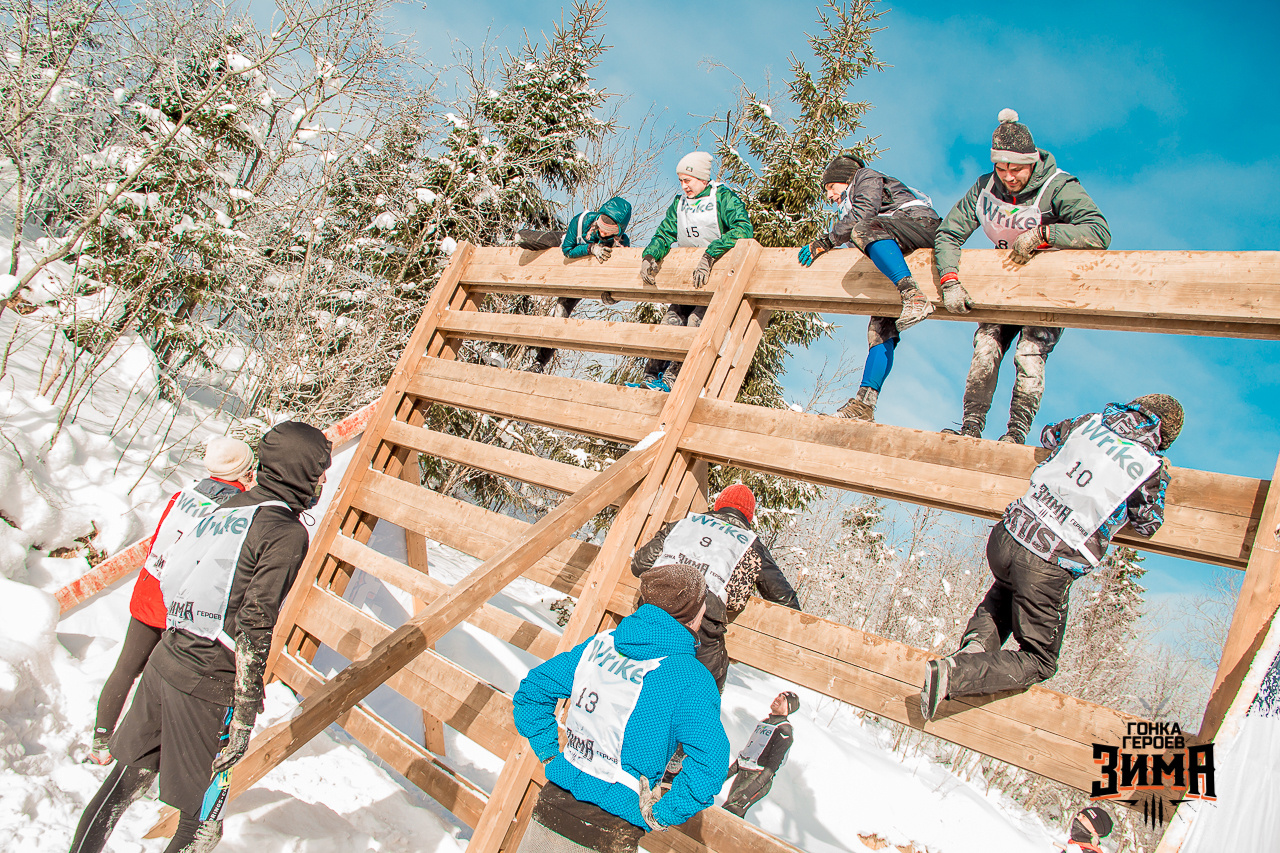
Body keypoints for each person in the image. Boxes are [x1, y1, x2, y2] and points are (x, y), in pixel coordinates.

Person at [69, 422, 332, 853]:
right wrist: (245, 710)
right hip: (209, 683)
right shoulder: (285, 532)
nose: (323, 479)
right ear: (300, 469)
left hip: (166, 659)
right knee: (201, 827)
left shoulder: (225, 508)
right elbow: (255, 622)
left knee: (124, 783)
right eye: (321, 468)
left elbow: (174, 573)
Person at [920, 396, 1182, 721]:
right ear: (1164, 437)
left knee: (1006, 590)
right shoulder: (1147, 466)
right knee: (1040, 660)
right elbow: (1148, 523)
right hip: (1050, 557)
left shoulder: (1090, 422)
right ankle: (956, 673)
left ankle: (973, 654)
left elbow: (1048, 435)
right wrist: (1163, 475)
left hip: (1010, 533)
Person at [511, 563, 730, 853]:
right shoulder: (691, 679)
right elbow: (710, 765)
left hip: (551, 808)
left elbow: (533, 692)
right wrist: (664, 814)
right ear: (694, 613)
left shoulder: (599, 645)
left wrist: (550, 754)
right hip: (610, 831)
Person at [934, 109, 1111, 443]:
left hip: (1046, 285)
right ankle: (970, 426)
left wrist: (1045, 235)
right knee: (986, 348)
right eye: (1001, 168)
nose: (1009, 177)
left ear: (1031, 162)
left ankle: (1015, 434)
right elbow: (948, 233)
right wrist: (950, 279)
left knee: (1029, 353)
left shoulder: (1057, 186)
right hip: (1002, 282)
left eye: (1016, 169)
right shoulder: (985, 189)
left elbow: (1098, 231)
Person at [88, 437, 256, 766]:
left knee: (126, 668)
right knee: (163, 684)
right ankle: (142, 754)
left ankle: (101, 738)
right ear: (244, 469)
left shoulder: (186, 494)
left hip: (150, 588)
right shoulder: (237, 508)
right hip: (183, 605)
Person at [797, 153, 944, 421]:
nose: (829, 196)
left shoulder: (865, 177)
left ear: (844, 178)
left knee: (863, 229)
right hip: (894, 247)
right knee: (879, 329)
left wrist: (826, 240)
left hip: (920, 224)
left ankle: (913, 295)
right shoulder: (851, 205)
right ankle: (865, 403)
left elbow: (864, 214)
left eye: (830, 187)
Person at [631, 484, 800, 692]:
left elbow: (639, 565)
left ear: (718, 505)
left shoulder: (684, 524)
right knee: (704, 692)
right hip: (700, 632)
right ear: (748, 516)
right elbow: (784, 599)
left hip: (649, 615)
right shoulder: (749, 544)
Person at [630, 152, 753, 392]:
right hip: (688, 279)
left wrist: (710, 254)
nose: (684, 186)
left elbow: (743, 229)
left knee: (695, 323)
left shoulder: (723, 198)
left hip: (715, 277)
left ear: (702, 178)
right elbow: (665, 233)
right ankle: (650, 375)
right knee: (670, 322)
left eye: (688, 180)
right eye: (681, 181)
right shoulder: (680, 204)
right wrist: (650, 255)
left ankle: (673, 377)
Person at [528, 196, 634, 374]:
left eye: (609, 231)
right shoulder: (582, 222)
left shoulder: (622, 243)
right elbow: (567, 250)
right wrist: (590, 249)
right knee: (530, 239)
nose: (604, 233)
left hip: (585, 281)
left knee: (560, 313)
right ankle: (527, 237)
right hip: (568, 259)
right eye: (602, 227)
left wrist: (613, 293)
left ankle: (539, 363)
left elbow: (620, 271)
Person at [722, 691, 798, 818]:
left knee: (728, 814)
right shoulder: (765, 722)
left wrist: (750, 791)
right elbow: (748, 752)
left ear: (788, 708)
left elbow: (772, 767)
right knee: (730, 814)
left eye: (783, 699)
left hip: (758, 777)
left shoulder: (784, 730)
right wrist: (727, 774)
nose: (777, 698)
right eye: (778, 695)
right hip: (744, 771)